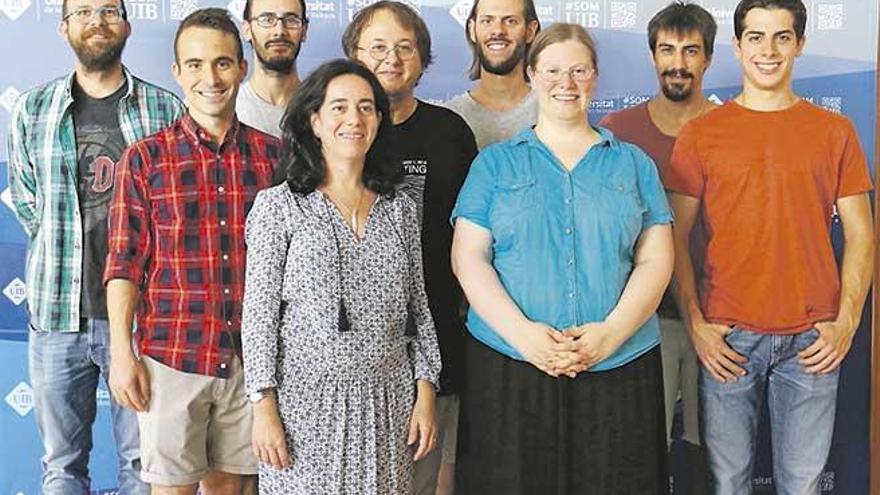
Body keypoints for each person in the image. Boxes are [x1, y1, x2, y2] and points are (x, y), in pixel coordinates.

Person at [451, 23, 673, 494]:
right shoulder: (494, 164)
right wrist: (525, 336)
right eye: (552, 70)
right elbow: (470, 259)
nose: (565, 83)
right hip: (511, 363)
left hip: (619, 363)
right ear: (531, 75)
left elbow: (655, 260)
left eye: (578, 70)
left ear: (594, 76)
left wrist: (611, 334)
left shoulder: (634, 164)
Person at [665, 1, 874, 493]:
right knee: (728, 482)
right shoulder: (701, 134)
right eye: (756, 37)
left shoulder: (835, 132)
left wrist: (846, 321)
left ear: (800, 44)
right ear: (737, 46)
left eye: (782, 37)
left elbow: (862, 234)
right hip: (728, 338)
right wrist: (696, 324)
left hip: (813, 340)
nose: (769, 50)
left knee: (801, 484)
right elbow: (672, 236)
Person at [240, 58, 441, 494]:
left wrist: (425, 391)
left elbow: (418, 309)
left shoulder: (400, 208)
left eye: (367, 108)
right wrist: (263, 405)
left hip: (388, 405)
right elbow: (258, 317)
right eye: (340, 107)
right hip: (303, 408)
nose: (355, 119)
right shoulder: (279, 207)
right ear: (314, 120)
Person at [6, 0, 183, 491]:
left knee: (142, 465)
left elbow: (174, 212)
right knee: (62, 465)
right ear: (64, 28)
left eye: (108, 10)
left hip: (141, 321)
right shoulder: (32, 109)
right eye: (83, 11)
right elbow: (25, 201)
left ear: (126, 26)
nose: (97, 21)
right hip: (57, 317)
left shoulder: (164, 108)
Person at [104, 8, 281, 494]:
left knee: (234, 489)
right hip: (171, 358)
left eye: (223, 63)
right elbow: (124, 264)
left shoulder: (276, 158)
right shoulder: (143, 159)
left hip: (252, 363)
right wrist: (123, 351)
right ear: (178, 72)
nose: (211, 77)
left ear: (242, 68)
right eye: (197, 65)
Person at [342, 3, 477, 493]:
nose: (391, 58)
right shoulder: (333, 133)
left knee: (430, 477)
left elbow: (474, 239)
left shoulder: (451, 134)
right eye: (377, 47)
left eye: (405, 47)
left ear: (422, 60)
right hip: (345, 356)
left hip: (435, 338)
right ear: (354, 55)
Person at [599, 2, 715, 492]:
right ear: (651, 55)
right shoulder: (617, 132)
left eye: (690, 51)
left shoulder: (729, 128)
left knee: (709, 456)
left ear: (708, 59)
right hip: (639, 322)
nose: (678, 62)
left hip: (719, 319)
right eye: (667, 49)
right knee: (639, 452)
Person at [444, 0, 539, 149]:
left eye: (510, 21)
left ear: (530, 31)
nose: (498, 31)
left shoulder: (552, 110)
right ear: (472, 30)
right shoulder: (449, 117)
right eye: (487, 21)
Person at [237, 0, 308, 137]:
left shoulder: (323, 107)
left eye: (291, 20)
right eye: (267, 20)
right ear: (247, 30)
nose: (279, 31)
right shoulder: (227, 108)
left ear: (304, 31)